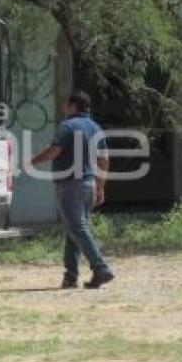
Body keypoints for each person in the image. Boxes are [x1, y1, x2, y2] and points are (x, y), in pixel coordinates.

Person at [29, 91, 114, 289]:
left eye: (66, 105)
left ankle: (101, 268)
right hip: (89, 184)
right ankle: (71, 276)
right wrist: (101, 187)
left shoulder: (67, 126)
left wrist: (32, 162)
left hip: (70, 185)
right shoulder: (95, 128)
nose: (63, 108)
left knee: (77, 228)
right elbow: (104, 159)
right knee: (73, 229)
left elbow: (54, 151)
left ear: (73, 106)